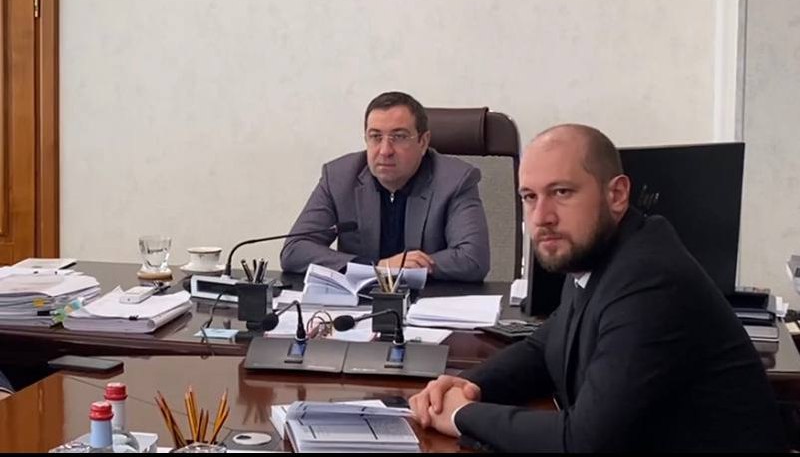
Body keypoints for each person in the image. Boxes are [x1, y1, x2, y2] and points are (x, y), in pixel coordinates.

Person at [409, 124, 786, 452]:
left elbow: (584, 441)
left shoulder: (649, 280)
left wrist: (462, 414)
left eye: (562, 192)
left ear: (617, 195)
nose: (542, 217)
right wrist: (468, 385)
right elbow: (545, 348)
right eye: (530, 197)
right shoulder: (600, 255)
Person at [280, 91, 490, 281]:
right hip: (361, 304)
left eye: (398, 137)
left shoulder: (455, 180)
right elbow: (294, 250)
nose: (385, 150)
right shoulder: (339, 178)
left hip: (430, 301)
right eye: (375, 137)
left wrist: (412, 266)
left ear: (423, 142)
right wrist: (377, 267)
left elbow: (473, 259)